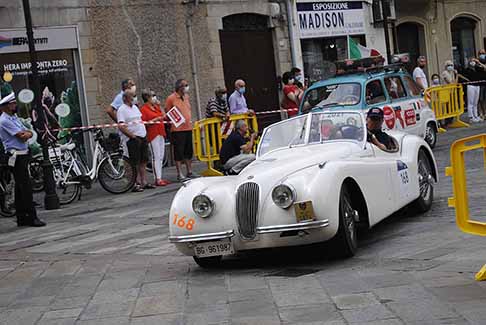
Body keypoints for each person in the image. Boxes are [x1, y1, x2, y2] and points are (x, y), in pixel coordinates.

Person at [0, 92, 45, 227]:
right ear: (6, 106)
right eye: (13, 104)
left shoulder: (14, 118)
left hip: (23, 154)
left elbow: (28, 131)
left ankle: (22, 217)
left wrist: (27, 133)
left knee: (21, 188)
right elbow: (22, 135)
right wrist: (26, 134)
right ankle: (31, 217)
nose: (15, 105)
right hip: (16, 156)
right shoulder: (4, 120)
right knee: (25, 187)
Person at [117, 92, 152, 192]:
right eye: (132, 96)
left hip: (142, 136)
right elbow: (121, 125)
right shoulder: (122, 109)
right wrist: (132, 136)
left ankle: (143, 181)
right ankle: (134, 183)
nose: (134, 98)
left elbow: (139, 120)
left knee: (143, 160)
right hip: (132, 138)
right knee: (133, 162)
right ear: (125, 98)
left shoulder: (135, 108)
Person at [165, 79, 197, 181]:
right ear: (180, 87)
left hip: (188, 127)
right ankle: (180, 174)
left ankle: (189, 171)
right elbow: (167, 111)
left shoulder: (186, 97)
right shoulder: (171, 98)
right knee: (179, 152)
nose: (187, 87)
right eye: (185, 85)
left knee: (188, 151)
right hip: (177, 129)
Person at [140, 89, 170, 187]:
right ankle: (157, 178)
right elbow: (143, 123)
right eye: (153, 96)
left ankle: (160, 177)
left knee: (161, 156)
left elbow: (164, 116)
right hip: (152, 134)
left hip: (161, 132)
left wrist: (159, 105)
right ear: (147, 98)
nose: (154, 97)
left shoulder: (156, 107)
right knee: (156, 156)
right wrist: (154, 120)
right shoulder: (143, 109)